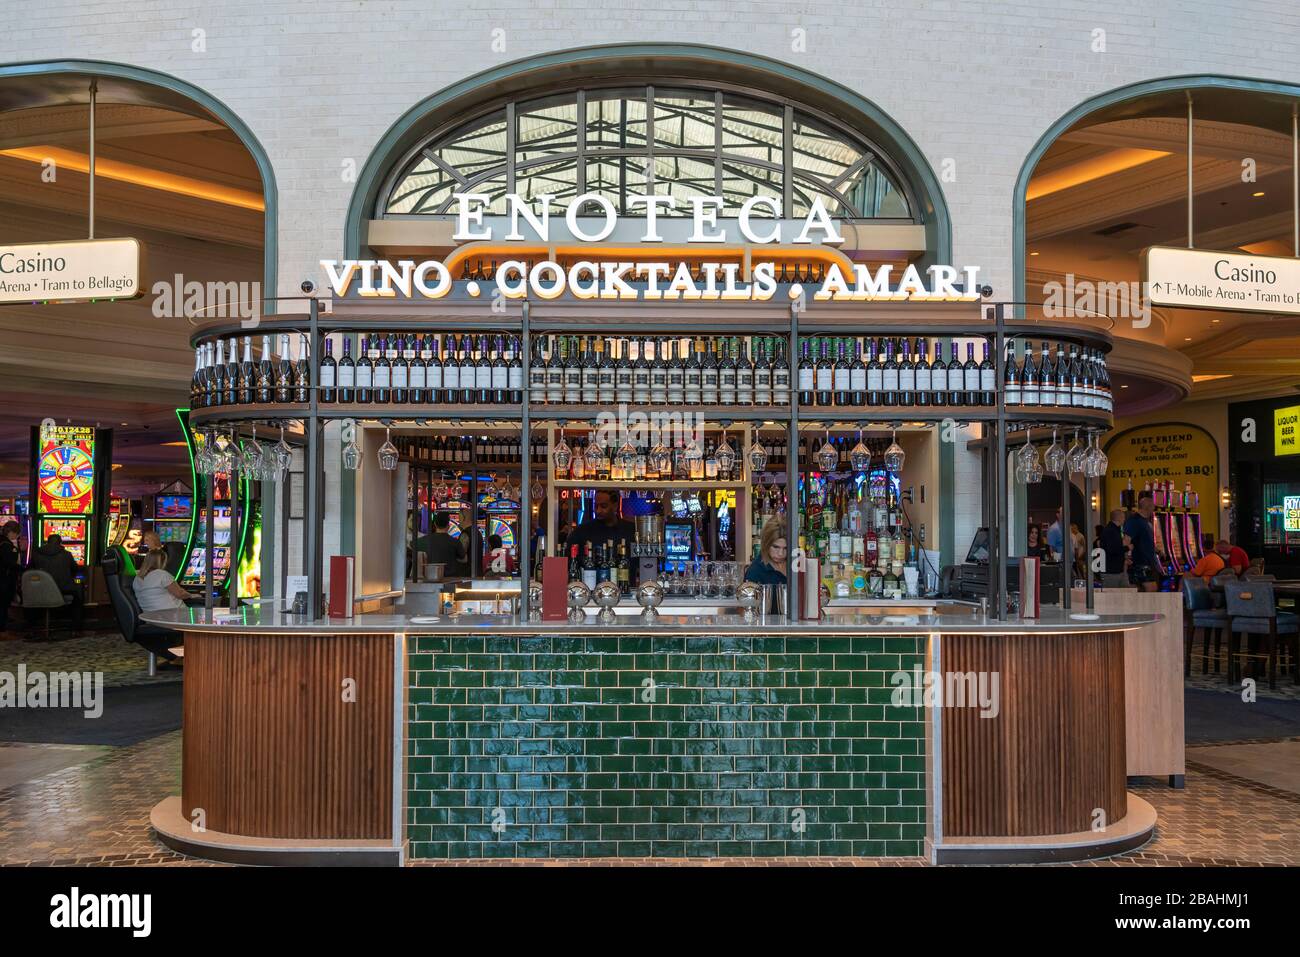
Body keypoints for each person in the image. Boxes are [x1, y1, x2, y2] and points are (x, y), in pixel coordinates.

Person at [30, 534, 85, 629]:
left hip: (41, 589)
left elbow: (31, 571)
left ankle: (32, 624)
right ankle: (76, 625)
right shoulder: (67, 554)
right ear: (60, 543)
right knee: (79, 589)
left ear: (47, 542)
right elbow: (75, 570)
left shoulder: (36, 554)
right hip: (63, 588)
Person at [564, 489, 634, 564]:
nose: (598, 511)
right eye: (596, 506)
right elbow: (569, 560)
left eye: (603, 506)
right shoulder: (582, 531)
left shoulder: (630, 530)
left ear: (615, 506)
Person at [1122, 492, 1160, 592]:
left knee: (1141, 590)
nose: (1154, 509)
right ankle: (1146, 608)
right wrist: (1125, 558)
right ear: (1147, 507)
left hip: (1147, 561)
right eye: (1153, 506)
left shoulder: (1145, 521)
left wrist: (1157, 551)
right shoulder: (1134, 521)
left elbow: (1144, 540)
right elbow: (1126, 540)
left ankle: (1142, 607)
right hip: (1139, 562)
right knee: (1151, 588)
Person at [132, 548, 189, 612]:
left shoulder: (136, 579)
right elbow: (180, 594)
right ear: (163, 561)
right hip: (173, 616)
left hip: (151, 618)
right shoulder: (161, 574)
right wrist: (191, 595)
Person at [422, 511, 468, 577]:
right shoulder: (455, 542)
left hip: (430, 578)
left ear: (435, 524)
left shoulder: (424, 540)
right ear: (448, 525)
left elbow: (412, 546)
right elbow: (464, 559)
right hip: (451, 579)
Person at [745, 518, 788, 585]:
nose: (781, 553)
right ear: (766, 544)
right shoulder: (755, 571)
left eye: (786, 548)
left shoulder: (795, 564)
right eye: (775, 547)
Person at [0, 520, 21, 636]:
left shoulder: (2, 541)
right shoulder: (6, 545)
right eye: (16, 534)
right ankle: (2, 629)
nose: (17, 536)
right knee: (3, 603)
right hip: (5, 578)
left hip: (3, 577)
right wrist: (22, 569)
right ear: (11, 532)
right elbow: (10, 563)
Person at [1100, 509, 1127, 575]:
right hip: (1112, 570)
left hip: (1116, 568)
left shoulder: (1115, 530)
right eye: (1123, 517)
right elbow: (1113, 549)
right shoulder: (1111, 531)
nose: (1124, 520)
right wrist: (1127, 548)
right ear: (1119, 518)